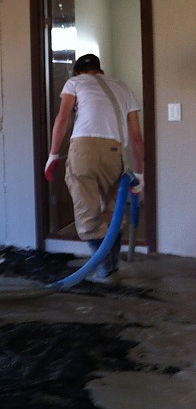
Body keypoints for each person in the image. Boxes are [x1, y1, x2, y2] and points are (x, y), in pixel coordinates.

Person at [44, 53, 145, 284]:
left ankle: (104, 269)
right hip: (114, 151)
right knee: (112, 212)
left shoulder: (75, 82)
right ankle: (112, 266)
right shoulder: (122, 87)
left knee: (87, 211)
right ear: (100, 70)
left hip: (84, 150)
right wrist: (139, 174)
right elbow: (136, 137)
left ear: (78, 72)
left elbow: (62, 119)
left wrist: (53, 154)